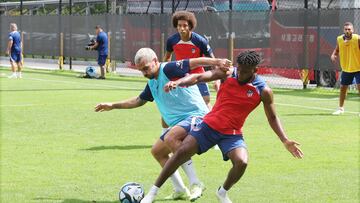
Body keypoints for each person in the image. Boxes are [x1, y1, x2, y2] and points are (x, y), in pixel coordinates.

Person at [141, 51, 303, 203]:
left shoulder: (263, 91)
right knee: (181, 152)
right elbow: (199, 77)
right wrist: (178, 82)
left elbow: (272, 117)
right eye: (238, 69)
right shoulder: (228, 73)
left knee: (242, 162)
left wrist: (285, 140)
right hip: (208, 126)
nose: (239, 74)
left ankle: (222, 192)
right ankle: (153, 192)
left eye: (245, 72)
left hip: (232, 134)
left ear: (255, 70)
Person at [95, 48, 231, 201]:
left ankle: (196, 183)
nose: (145, 73)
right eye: (141, 71)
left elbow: (195, 62)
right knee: (158, 152)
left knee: (171, 137)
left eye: (146, 68)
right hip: (181, 123)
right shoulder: (152, 82)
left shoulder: (169, 68)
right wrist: (113, 105)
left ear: (155, 61)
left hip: (197, 116)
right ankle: (180, 189)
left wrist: (217, 61)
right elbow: (138, 101)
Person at [164, 11, 220, 110]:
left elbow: (213, 60)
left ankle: (210, 124)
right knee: (175, 104)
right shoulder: (171, 41)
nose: (182, 28)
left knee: (205, 101)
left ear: (190, 26)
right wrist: (164, 75)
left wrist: (216, 79)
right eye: (179, 25)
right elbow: (167, 58)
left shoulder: (200, 41)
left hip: (198, 75)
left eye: (185, 25)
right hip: (179, 75)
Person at [331, 22, 360, 115]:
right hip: (346, 68)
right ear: (344, 30)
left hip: (358, 68)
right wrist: (334, 55)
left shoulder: (357, 39)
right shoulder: (339, 39)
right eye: (346, 29)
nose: (347, 31)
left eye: (349, 29)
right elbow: (337, 49)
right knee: (343, 88)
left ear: (353, 30)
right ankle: (341, 108)